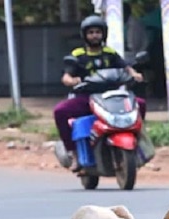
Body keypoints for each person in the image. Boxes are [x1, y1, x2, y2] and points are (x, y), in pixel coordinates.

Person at [53, 15, 146, 169]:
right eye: (91, 32)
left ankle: (138, 143)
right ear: (85, 35)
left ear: (103, 34)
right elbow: (67, 75)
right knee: (60, 111)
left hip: (111, 96)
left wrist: (134, 74)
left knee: (140, 104)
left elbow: (125, 67)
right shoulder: (77, 55)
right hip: (86, 97)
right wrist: (71, 80)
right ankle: (73, 153)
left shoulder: (109, 53)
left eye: (98, 32)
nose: (94, 35)